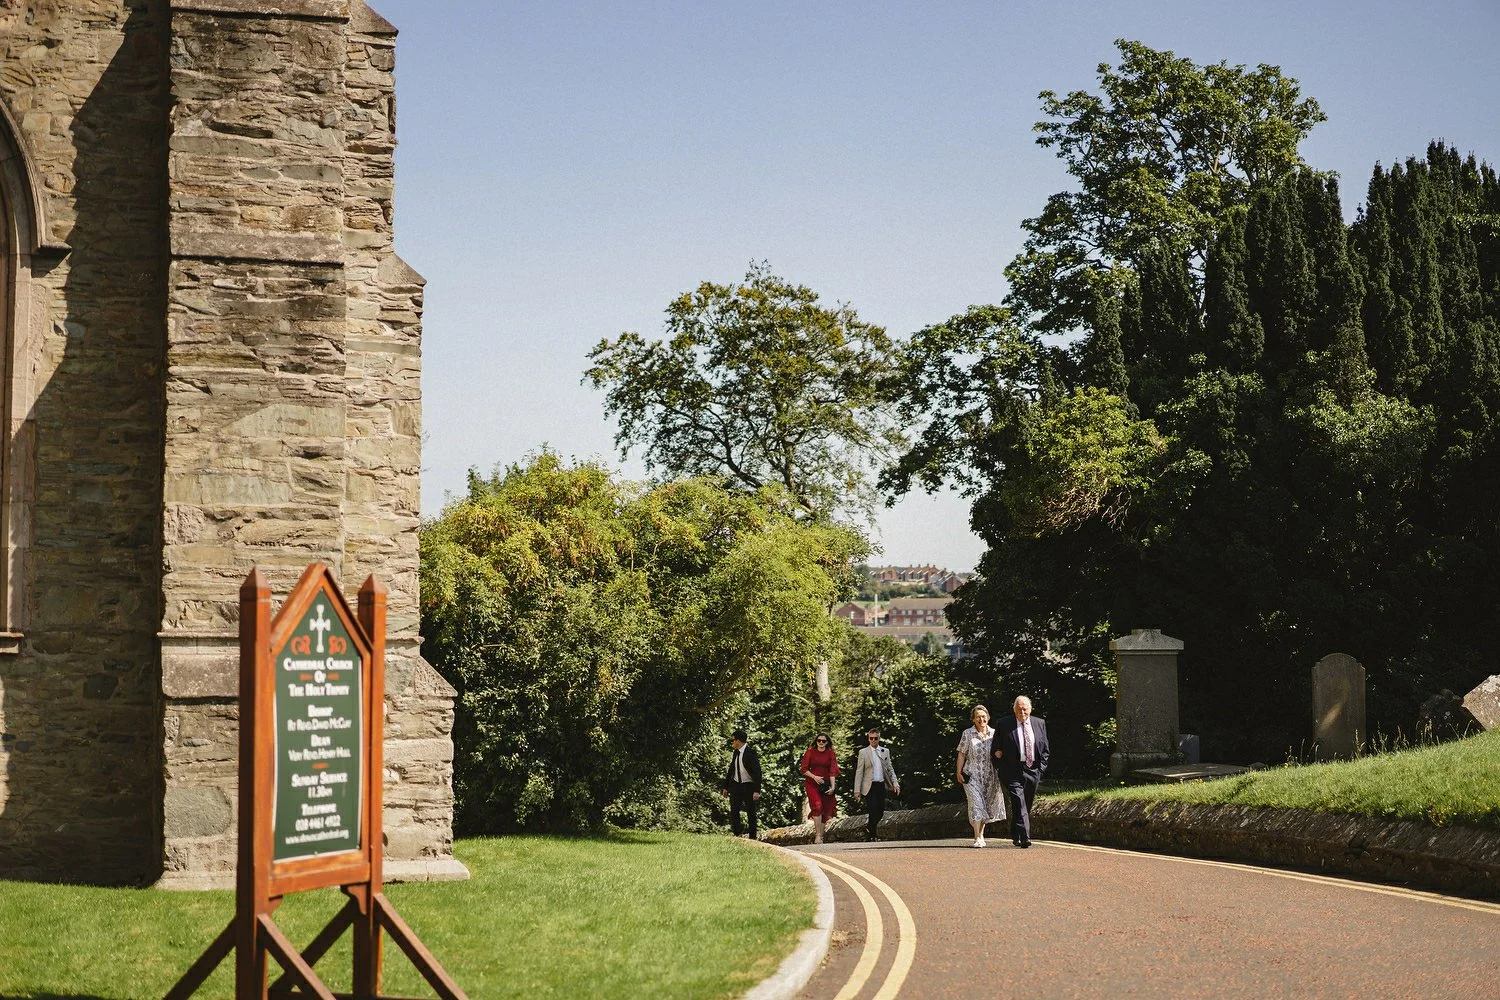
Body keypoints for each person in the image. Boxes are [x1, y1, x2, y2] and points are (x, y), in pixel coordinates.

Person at [992, 695, 1049, 848]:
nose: (1022, 712)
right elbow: (995, 748)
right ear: (1014, 710)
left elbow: (1044, 749)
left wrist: (1040, 769)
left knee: (1026, 804)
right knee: (1018, 800)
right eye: (1019, 710)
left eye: (1025, 709)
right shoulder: (1004, 724)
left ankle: (1015, 832)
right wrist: (999, 763)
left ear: (1030, 709)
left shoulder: (1039, 723)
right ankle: (1025, 837)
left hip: (1032, 770)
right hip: (1011, 770)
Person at [954, 704, 1005, 848]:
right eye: (978, 717)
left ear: (988, 718)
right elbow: (962, 753)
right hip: (971, 775)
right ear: (973, 719)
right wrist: (958, 772)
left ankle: (981, 834)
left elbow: (1001, 751)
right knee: (976, 803)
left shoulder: (995, 733)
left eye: (983, 716)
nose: (981, 719)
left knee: (986, 806)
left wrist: (999, 754)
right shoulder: (967, 734)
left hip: (990, 776)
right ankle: (976, 837)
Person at [853, 727, 900, 841]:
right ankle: (872, 835)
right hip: (869, 785)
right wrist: (857, 790)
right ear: (868, 738)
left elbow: (890, 768)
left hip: (881, 785)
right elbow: (859, 771)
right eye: (871, 738)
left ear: (879, 738)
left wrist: (895, 783)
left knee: (880, 811)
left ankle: (870, 828)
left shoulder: (885, 751)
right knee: (873, 809)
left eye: (876, 738)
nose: (873, 740)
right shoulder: (863, 752)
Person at [719, 729, 762, 839]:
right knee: (734, 810)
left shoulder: (750, 753)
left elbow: (757, 773)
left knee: (751, 812)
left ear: (738, 740)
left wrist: (757, 790)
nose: (732, 743)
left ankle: (753, 836)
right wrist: (725, 787)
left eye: (733, 740)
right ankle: (737, 834)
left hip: (748, 786)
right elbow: (731, 770)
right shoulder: (736, 753)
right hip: (736, 785)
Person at [799, 732, 840, 844]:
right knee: (817, 806)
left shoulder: (830, 754)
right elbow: (803, 769)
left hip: (826, 784)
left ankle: (821, 836)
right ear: (816, 741)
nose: (821, 743)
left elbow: (832, 771)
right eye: (819, 740)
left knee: (826, 809)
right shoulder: (810, 752)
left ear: (827, 742)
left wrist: (832, 787)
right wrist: (814, 777)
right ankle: (817, 835)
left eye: (823, 741)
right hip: (812, 783)